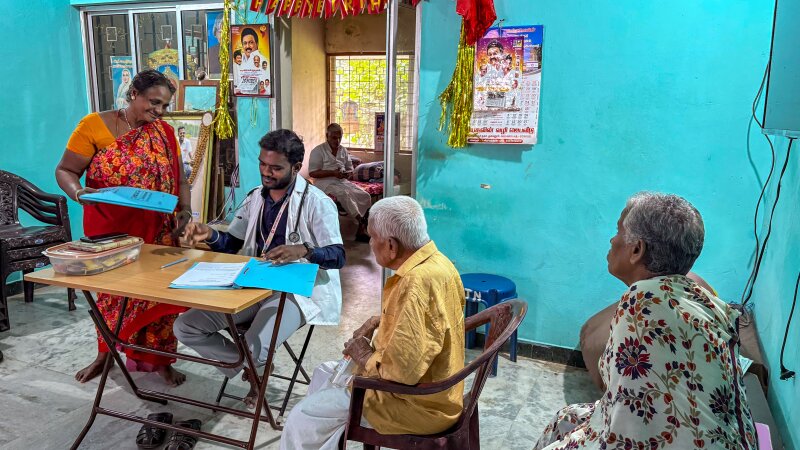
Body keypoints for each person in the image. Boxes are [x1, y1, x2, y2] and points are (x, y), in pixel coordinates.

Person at [534, 192, 756, 450]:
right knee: (566, 417)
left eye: (618, 231)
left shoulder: (641, 300)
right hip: (732, 441)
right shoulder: (705, 300)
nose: (612, 239)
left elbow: (626, 422)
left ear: (636, 250)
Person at [174, 129, 345, 408]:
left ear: (296, 167)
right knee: (186, 326)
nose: (267, 173)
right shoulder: (256, 198)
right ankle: (245, 366)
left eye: (276, 168)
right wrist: (210, 235)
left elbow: (338, 256)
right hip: (255, 283)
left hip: (294, 289)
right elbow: (233, 243)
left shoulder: (317, 203)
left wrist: (304, 250)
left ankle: (253, 367)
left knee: (255, 345)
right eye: (263, 165)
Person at [279, 196, 465, 450]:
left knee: (302, 418)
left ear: (391, 245)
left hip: (417, 404)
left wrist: (365, 355)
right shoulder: (438, 262)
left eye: (372, 237)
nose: (370, 244)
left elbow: (401, 374)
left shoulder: (416, 283)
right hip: (439, 392)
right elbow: (431, 321)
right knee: (325, 372)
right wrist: (382, 319)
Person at [55, 69, 192, 386]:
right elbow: (65, 169)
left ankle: (160, 362)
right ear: (134, 94)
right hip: (109, 234)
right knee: (111, 299)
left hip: (157, 232)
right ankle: (105, 354)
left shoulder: (165, 133)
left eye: (164, 106)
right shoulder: (94, 125)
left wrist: (185, 212)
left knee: (160, 301)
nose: (157, 112)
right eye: (153, 103)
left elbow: (181, 179)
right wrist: (78, 192)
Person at [308, 123, 372, 241]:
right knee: (343, 194)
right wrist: (332, 173)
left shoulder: (343, 150)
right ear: (327, 136)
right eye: (334, 137)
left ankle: (360, 230)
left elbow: (350, 168)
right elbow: (312, 173)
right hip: (324, 182)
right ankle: (361, 223)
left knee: (365, 195)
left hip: (341, 181)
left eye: (339, 137)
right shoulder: (318, 150)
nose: (337, 141)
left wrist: (347, 173)